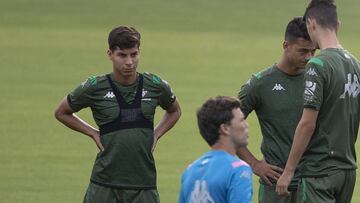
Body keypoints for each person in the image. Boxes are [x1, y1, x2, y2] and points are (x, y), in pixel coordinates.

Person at [54, 26, 181, 203]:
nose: (129, 62)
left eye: (134, 54)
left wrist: (157, 134)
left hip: (143, 184)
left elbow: (174, 110)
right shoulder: (94, 87)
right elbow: (62, 112)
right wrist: (92, 133)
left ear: (139, 52)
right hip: (104, 184)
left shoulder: (155, 85)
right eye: (122, 55)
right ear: (110, 54)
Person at [276, 1, 360, 202]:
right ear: (337, 25)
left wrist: (288, 171)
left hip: (320, 172)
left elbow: (307, 123)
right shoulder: (355, 63)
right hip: (347, 170)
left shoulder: (318, 64)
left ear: (311, 24)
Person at [237, 17, 315, 203]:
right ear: (285, 45)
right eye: (303, 51)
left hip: (313, 182)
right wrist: (254, 164)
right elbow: (225, 126)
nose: (309, 57)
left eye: (313, 51)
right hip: (276, 184)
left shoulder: (317, 79)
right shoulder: (260, 84)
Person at [179, 96, 253, 203]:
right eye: (241, 120)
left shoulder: (190, 170)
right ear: (225, 128)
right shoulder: (239, 170)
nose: (246, 125)